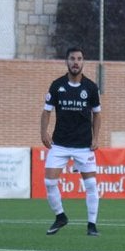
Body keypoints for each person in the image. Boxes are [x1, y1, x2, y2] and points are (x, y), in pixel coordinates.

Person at [40, 46, 102, 236]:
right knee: (49, 182)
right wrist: (44, 132)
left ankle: (91, 225)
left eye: (79, 59)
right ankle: (60, 216)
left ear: (83, 62)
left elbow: (97, 114)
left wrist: (96, 137)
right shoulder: (57, 85)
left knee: (91, 185)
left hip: (84, 145)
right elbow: (46, 111)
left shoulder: (91, 87)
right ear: (67, 62)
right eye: (72, 59)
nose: (76, 62)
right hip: (60, 143)